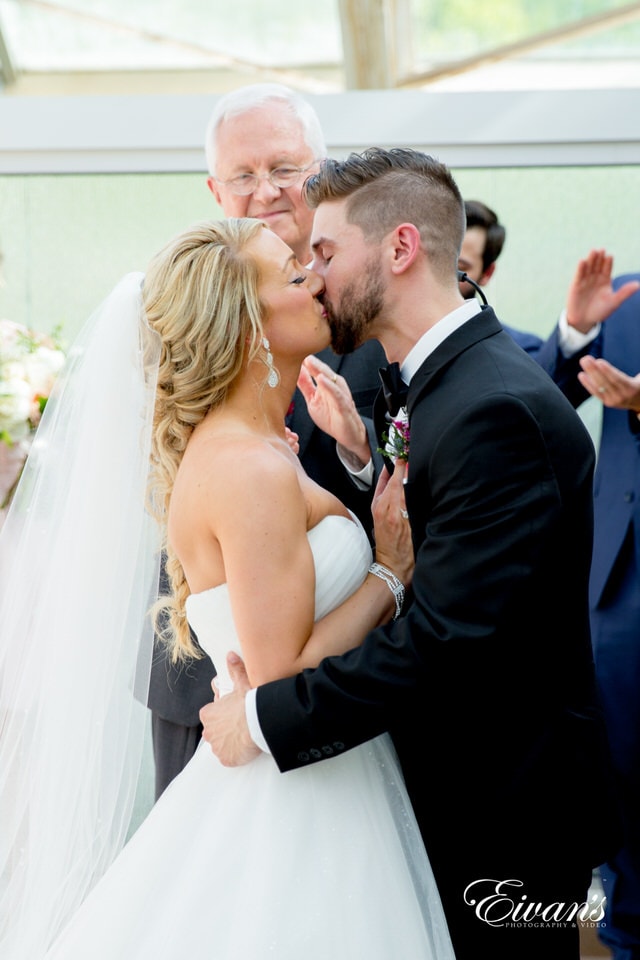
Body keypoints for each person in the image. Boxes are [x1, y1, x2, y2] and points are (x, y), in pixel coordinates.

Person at [201, 148, 619, 960]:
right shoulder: (438, 380)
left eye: (323, 253)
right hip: (461, 792)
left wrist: (259, 717)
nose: (312, 276)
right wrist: (366, 464)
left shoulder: (491, 405)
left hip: (505, 814)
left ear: (398, 249)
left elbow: (447, 639)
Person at [0, 217, 456, 959]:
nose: (314, 279)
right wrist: (389, 574)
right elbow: (279, 673)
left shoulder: (256, 447)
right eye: (291, 274)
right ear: (245, 322)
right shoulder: (248, 468)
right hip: (294, 797)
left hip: (322, 770)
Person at [147, 83, 386, 798]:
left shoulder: (363, 299)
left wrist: (359, 456)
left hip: (339, 688)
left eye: (285, 168)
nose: (266, 191)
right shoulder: (175, 298)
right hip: (203, 675)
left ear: (321, 169)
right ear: (215, 188)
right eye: (244, 175)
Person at [534, 248, 640, 960]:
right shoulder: (624, 294)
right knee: (621, 776)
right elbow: (537, 403)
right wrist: (573, 328)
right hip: (619, 589)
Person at [459, 198, 544, 355]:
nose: (441, 273)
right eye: (436, 260)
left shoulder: (520, 351)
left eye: (460, 267)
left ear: (487, 273)